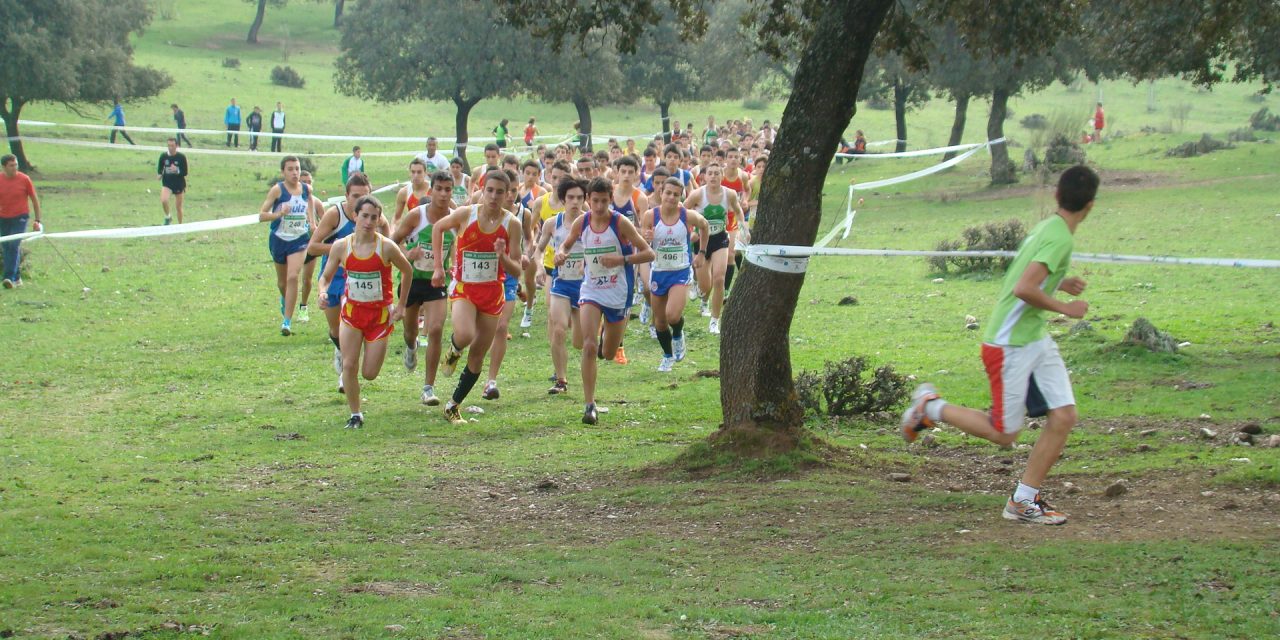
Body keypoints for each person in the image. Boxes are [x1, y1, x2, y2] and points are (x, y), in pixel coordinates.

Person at [903, 166, 1100, 526]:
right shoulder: (1059, 238)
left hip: (1034, 338)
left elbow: (1032, 278)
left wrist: (1059, 281)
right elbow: (1024, 288)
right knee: (1004, 432)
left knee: (1064, 415)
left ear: (1057, 195)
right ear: (1090, 205)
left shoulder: (1049, 227)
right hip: (1009, 344)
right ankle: (930, 409)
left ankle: (1024, 500)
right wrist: (1066, 308)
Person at [555, 177, 654, 425]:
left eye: (604, 201)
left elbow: (648, 253)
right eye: (595, 201)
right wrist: (561, 254)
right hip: (591, 291)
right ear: (589, 199)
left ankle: (605, 340)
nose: (599, 206)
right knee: (587, 346)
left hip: (619, 292)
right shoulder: (582, 222)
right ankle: (590, 405)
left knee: (607, 353)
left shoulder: (621, 223)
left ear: (611, 200)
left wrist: (620, 260)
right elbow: (565, 246)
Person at [431, 169, 524, 424]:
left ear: (508, 195)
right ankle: (453, 348)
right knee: (464, 334)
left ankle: (453, 405)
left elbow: (517, 268)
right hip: (465, 289)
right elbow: (438, 228)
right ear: (482, 190)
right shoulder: (466, 214)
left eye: (500, 192)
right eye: (490, 190)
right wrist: (439, 267)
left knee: (477, 356)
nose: (494, 196)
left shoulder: (512, 224)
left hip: (493, 295)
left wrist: (503, 257)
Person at [316, 194, 413, 430]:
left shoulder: (386, 247)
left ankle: (358, 401)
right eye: (364, 216)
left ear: (379, 220)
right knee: (349, 365)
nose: (368, 221)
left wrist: (400, 306)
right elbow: (326, 276)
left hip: (379, 317)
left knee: (369, 373)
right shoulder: (341, 246)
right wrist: (322, 292)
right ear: (355, 216)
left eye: (374, 217)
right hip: (351, 314)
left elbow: (407, 272)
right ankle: (355, 414)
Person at [309, 172, 379, 393]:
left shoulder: (373, 216)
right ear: (346, 195)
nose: (360, 200)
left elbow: (389, 237)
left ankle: (346, 374)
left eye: (364, 195)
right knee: (335, 329)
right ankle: (340, 352)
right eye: (355, 195)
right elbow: (313, 247)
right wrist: (344, 249)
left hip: (357, 280)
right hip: (334, 276)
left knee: (349, 325)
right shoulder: (335, 215)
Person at [391, 171, 456, 406]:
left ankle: (428, 388)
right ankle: (411, 347)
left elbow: (462, 243)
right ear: (431, 191)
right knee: (410, 332)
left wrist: (454, 266)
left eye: (448, 189)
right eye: (439, 188)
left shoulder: (455, 217)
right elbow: (392, 242)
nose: (443, 193)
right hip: (412, 281)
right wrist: (409, 254)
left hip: (436, 283)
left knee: (437, 328)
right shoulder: (416, 216)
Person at [640, 177, 708, 371]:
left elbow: (704, 227)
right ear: (661, 193)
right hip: (659, 271)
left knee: (672, 315)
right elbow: (644, 243)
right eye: (668, 193)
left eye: (676, 195)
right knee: (660, 322)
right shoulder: (650, 216)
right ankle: (667, 356)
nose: (671, 197)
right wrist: (647, 238)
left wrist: (701, 252)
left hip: (680, 270)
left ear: (681, 197)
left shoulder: (688, 216)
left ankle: (678, 333)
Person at [480, 169, 534, 400]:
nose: (509, 195)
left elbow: (529, 239)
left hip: (509, 274)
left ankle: (491, 381)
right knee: (479, 331)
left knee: (501, 327)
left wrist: (525, 255)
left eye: (513, 190)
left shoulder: (523, 214)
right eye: (506, 191)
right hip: (481, 276)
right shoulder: (480, 207)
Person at [532, 177, 587, 394]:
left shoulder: (590, 222)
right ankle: (561, 380)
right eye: (571, 197)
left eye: (580, 198)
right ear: (563, 199)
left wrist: (587, 263)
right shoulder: (552, 224)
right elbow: (538, 249)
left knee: (579, 342)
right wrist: (538, 268)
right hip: (560, 283)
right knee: (558, 330)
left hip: (585, 286)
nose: (575, 202)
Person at [258, 156, 321, 336]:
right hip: (279, 239)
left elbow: (310, 203)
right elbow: (261, 215)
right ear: (283, 172)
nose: (295, 172)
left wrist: (311, 221)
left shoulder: (306, 190)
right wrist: (279, 214)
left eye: (297, 168)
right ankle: (285, 300)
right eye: (291, 169)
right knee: (282, 282)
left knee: (293, 276)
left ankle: (287, 322)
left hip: (299, 240)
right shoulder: (277, 191)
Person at [684, 162, 744, 334]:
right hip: (700, 241)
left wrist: (742, 229)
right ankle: (703, 297)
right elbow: (682, 211)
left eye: (717, 173)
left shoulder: (729, 194)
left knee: (719, 279)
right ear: (704, 176)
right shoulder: (697, 194)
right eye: (710, 173)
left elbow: (739, 211)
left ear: (722, 176)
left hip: (720, 240)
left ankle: (715, 320)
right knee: (706, 285)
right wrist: (690, 232)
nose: (713, 176)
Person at [0, 155, 41, 289]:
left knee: (13, 244)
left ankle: (8, 277)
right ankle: (17, 278)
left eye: (16, 164)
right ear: (4, 167)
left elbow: (34, 199)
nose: (15, 168)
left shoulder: (24, 179)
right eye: (11, 165)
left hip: (20, 217)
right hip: (4, 218)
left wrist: (37, 220)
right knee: (6, 246)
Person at [157, 138, 188, 226]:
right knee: (164, 200)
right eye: (169, 146)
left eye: (172, 146)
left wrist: (177, 170)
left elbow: (185, 172)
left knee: (178, 207)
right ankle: (168, 217)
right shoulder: (163, 156)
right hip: (167, 183)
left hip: (179, 183)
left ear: (176, 146)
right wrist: (159, 174)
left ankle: (180, 225)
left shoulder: (181, 157)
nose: (170, 148)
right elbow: (160, 167)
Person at [394, 158, 431, 224]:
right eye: (413, 172)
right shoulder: (404, 192)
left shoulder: (434, 189)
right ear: (409, 173)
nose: (416, 175)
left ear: (425, 173)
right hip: (413, 231)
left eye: (419, 172)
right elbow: (396, 218)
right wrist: (393, 231)